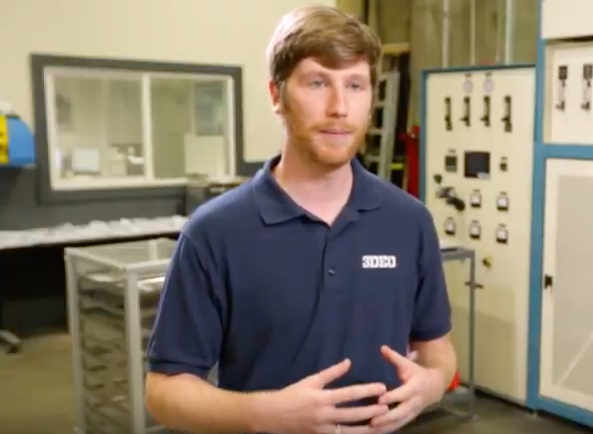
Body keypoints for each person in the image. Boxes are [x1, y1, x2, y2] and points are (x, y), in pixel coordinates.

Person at [144, 5, 456, 434]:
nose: (339, 107)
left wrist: (433, 383)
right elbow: (164, 391)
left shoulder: (409, 222)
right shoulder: (214, 233)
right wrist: (264, 415)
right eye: (317, 82)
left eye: (355, 85)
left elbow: (437, 348)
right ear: (276, 94)